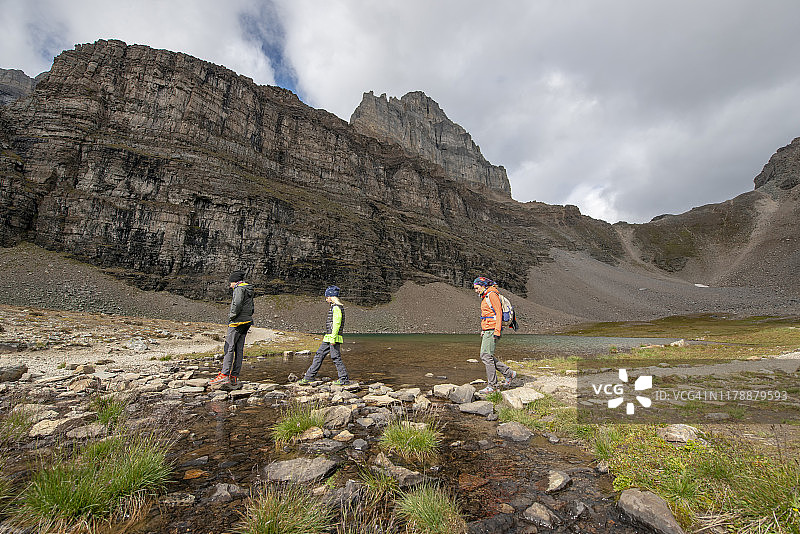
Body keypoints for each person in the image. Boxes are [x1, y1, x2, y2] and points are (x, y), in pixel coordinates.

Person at [298, 286, 350, 386]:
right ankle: (309, 377)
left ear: (331, 297)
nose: (326, 299)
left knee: (335, 357)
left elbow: (337, 323)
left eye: (327, 297)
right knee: (319, 355)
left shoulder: (336, 307)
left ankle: (344, 379)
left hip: (333, 338)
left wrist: (333, 338)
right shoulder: (334, 307)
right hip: (328, 337)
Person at [210, 271, 254, 387]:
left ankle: (224, 375)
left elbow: (237, 304)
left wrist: (232, 316)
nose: (230, 286)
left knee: (229, 347)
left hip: (237, 322)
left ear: (235, 281)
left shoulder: (239, 289)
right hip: (246, 321)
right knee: (239, 349)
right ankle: (234, 376)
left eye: (231, 283)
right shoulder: (248, 289)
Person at [473, 276, 516, 394]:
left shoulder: (492, 294)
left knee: (486, 356)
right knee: (486, 356)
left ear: (483, 286)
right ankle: (509, 373)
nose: (476, 290)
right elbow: (487, 314)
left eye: (477, 288)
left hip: (493, 329)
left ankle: (493, 386)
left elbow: (498, 312)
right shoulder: (486, 296)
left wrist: (497, 330)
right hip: (488, 329)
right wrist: (484, 329)